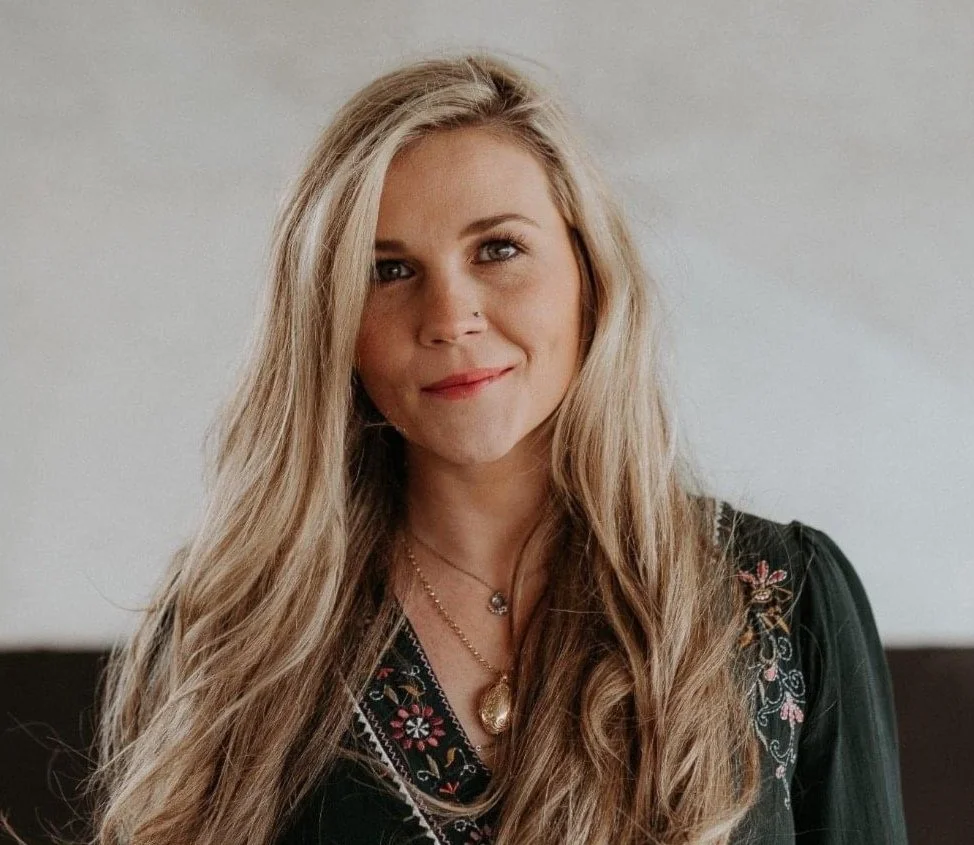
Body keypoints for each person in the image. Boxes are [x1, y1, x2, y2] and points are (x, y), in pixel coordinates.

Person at [86, 52, 908, 844]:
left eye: (498, 249)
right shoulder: (230, 636)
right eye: (388, 270)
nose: (449, 316)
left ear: (591, 271)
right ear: (333, 327)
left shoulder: (780, 602)